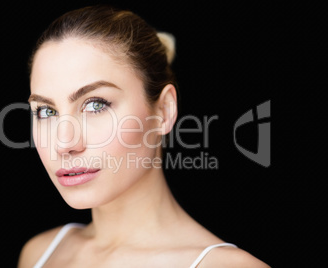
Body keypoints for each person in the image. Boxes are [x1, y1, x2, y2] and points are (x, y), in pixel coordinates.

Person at [18, 5, 269, 268]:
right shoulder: (40, 254)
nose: (64, 143)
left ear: (163, 111)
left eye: (95, 105)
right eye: (46, 111)